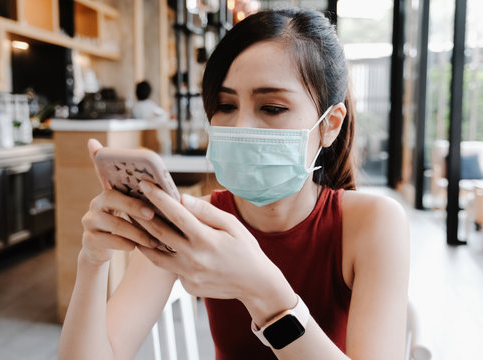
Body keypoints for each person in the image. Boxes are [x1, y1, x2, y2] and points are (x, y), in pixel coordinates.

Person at [59, 9, 409, 360]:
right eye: (226, 105)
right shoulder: (193, 224)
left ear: (329, 125)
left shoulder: (374, 225)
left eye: (271, 107)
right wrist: (92, 261)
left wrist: (262, 290)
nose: (241, 126)